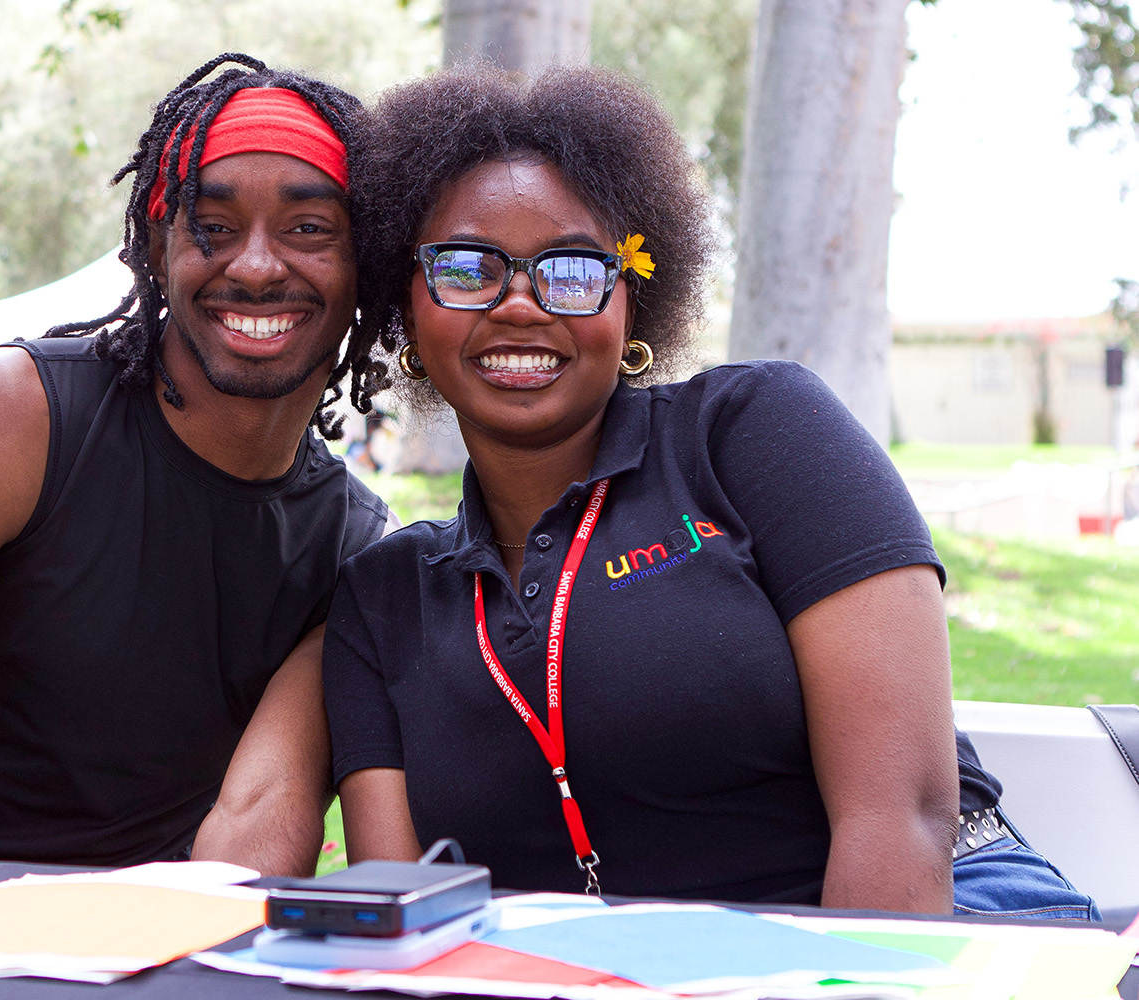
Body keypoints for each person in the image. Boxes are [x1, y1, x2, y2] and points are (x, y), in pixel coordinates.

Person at [323, 65, 1098, 919]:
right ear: (407, 306)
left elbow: (901, 818)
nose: (519, 304)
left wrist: (840, 980)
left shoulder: (756, 433)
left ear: (630, 301)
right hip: (608, 968)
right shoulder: (385, 597)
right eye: (468, 268)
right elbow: (407, 918)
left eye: (571, 269)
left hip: (937, 925)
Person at [0, 54, 389, 875]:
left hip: (167, 932)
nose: (257, 266)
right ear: (156, 247)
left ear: (368, 265)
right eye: (213, 226)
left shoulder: (352, 548)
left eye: (309, 229)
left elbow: (251, 830)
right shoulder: (8, 420)